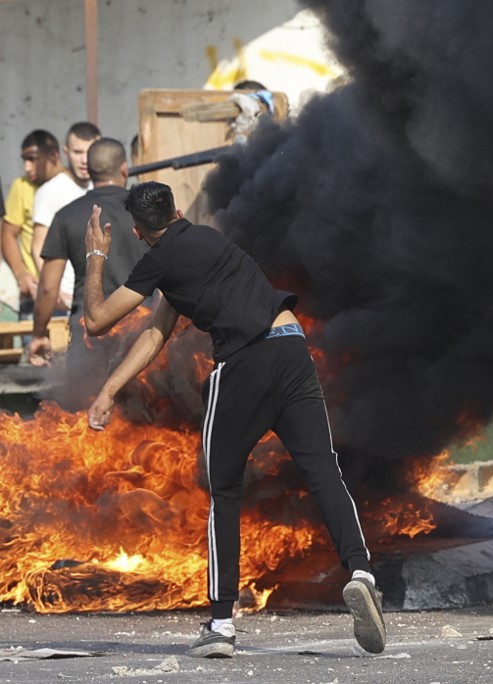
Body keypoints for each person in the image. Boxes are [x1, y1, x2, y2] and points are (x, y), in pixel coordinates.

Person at [82, 182, 386, 658]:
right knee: (323, 470)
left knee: (222, 489)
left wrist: (95, 257)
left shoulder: (157, 260)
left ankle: (221, 625)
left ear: (141, 232)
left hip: (245, 364)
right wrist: (108, 390)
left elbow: (97, 321)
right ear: (178, 212)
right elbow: (156, 333)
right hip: (291, 347)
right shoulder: (208, 240)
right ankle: (362, 572)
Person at [29, 138, 148, 365]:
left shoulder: (67, 215)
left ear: (90, 173)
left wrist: (38, 334)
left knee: (89, 400)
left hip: (90, 336)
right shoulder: (147, 212)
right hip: (143, 332)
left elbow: (47, 288)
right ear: (124, 168)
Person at [32, 122, 101, 310]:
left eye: (90, 151)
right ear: (65, 152)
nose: (85, 160)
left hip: (101, 300)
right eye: (77, 152)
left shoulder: (103, 187)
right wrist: (55, 292)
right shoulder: (50, 191)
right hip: (65, 300)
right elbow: (38, 246)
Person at [2, 130, 59, 325]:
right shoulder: (21, 186)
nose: (27, 167)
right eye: (24, 160)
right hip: (35, 292)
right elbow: (8, 233)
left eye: (32, 159)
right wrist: (21, 275)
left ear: (54, 156)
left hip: (67, 292)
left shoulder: (68, 186)